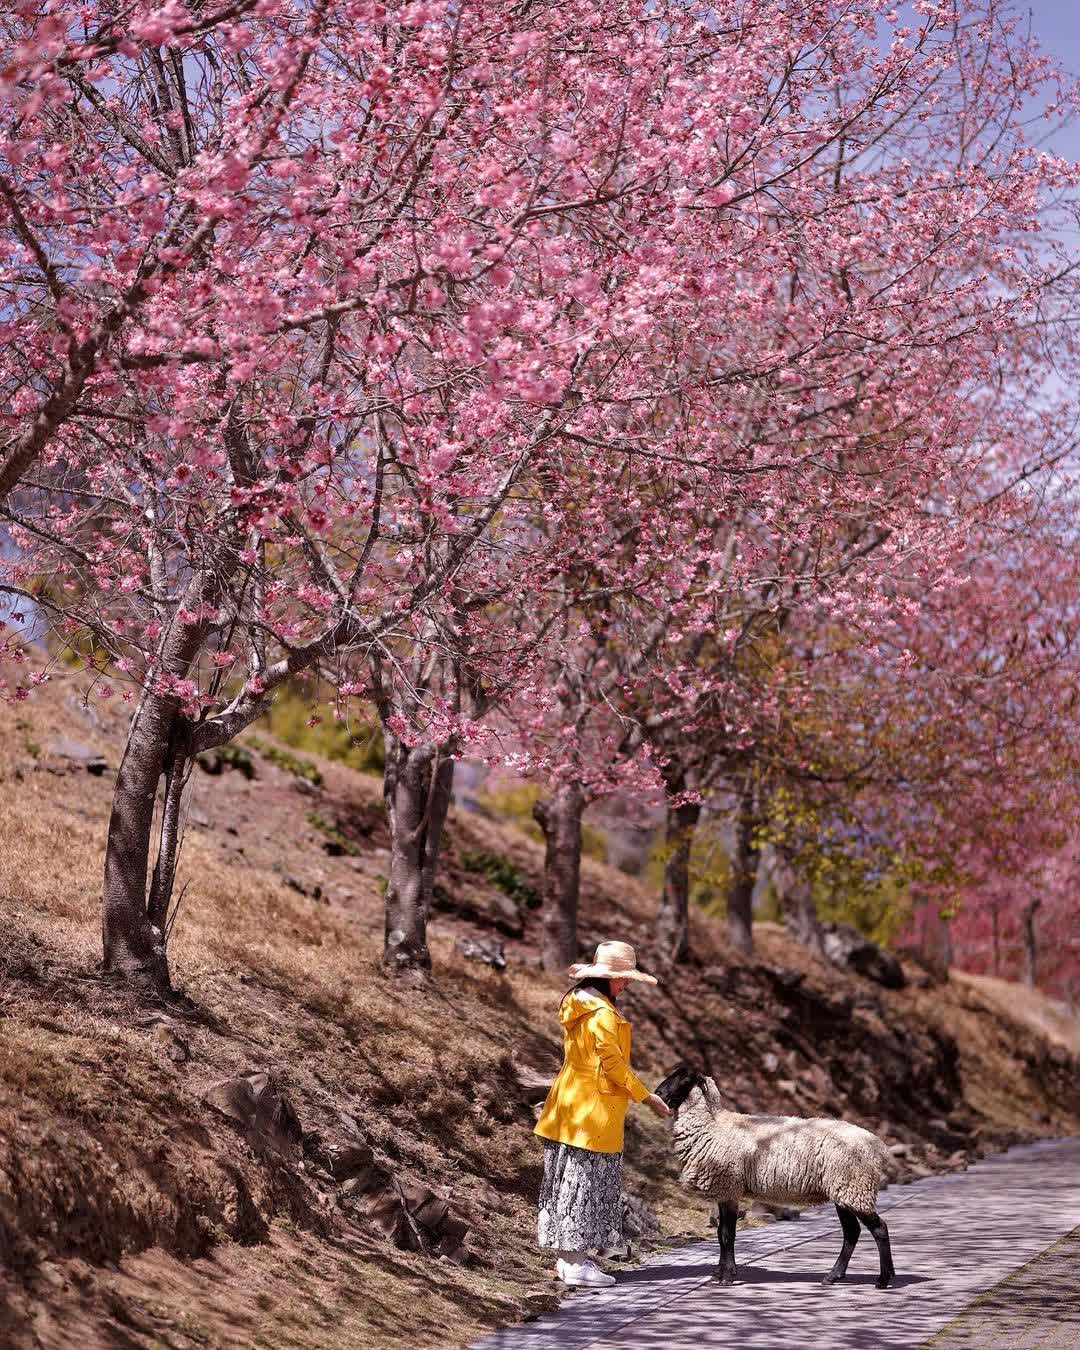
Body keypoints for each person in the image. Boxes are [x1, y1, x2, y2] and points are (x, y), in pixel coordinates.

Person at [533, 940, 671, 1289]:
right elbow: (613, 1064)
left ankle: (569, 1261)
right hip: (593, 1111)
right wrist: (646, 1096)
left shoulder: (576, 1003)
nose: (626, 984)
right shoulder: (604, 1015)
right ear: (607, 978)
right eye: (623, 978)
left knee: (565, 1184)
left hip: (567, 1104)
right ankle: (576, 1264)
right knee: (584, 1186)